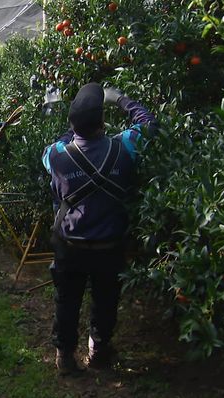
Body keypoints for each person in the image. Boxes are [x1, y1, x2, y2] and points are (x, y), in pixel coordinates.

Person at [41, 83, 156, 375]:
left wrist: (71, 124)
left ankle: (65, 356)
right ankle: (99, 350)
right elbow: (150, 124)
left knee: (66, 302)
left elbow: (59, 144)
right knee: (106, 301)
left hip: (71, 245)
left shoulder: (56, 156)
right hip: (109, 245)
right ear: (103, 123)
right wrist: (123, 101)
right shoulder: (125, 146)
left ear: (73, 123)